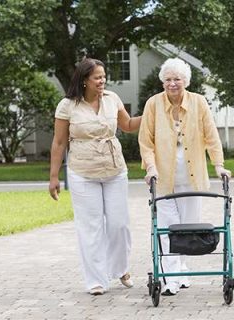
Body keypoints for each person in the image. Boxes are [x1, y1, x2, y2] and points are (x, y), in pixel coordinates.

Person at [138, 58, 231, 296]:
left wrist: (219, 166)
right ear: (162, 82)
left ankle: (182, 269)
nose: (172, 84)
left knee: (187, 229)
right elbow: (145, 141)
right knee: (168, 228)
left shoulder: (199, 102)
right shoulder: (153, 104)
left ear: (185, 81)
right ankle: (171, 279)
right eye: (168, 79)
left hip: (192, 178)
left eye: (177, 79)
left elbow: (211, 136)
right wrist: (150, 167)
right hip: (163, 177)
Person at [49, 58, 141, 296]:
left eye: (103, 76)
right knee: (91, 228)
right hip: (82, 171)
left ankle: (121, 269)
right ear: (84, 80)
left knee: (119, 224)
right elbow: (59, 143)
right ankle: (96, 280)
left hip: (114, 168)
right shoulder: (67, 105)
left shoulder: (112, 99)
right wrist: (53, 177)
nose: (102, 81)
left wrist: (152, 113)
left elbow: (128, 125)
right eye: (97, 77)